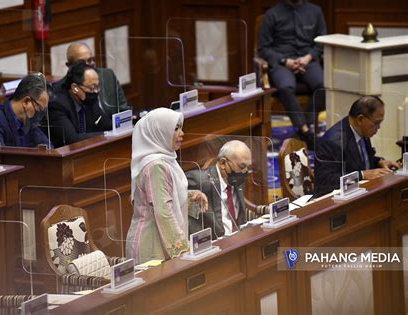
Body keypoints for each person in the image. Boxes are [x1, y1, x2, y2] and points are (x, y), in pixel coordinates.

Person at [126, 107, 208, 264]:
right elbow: (164, 211)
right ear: (159, 132)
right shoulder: (155, 166)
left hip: (161, 240)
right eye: (175, 129)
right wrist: (183, 250)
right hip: (152, 245)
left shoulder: (166, 160)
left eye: (181, 128)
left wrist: (191, 197)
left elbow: (165, 196)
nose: (182, 133)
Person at [258, 0, 327, 148]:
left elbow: (321, 42)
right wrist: (285, 61)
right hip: (282, 62)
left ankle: (305, 126)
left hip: (308, 60)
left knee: (324, 85)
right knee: (285, 87)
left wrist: (308, 58)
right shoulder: (272, 14)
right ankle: (306, 131)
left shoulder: (315, 11)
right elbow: (263, 48)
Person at [314, 95, 399, 196]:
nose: (379, 127)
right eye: (376, 123)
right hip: (337, 203)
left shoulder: (361, 130)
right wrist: (362, 175)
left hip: (361, 193)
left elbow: (358, 160)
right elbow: (326, 182)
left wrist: (379, 161)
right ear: (360, 119)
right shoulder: (332, 142)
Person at [186, 140, 268, 238]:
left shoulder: (237, 178)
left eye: (247, 167)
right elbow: (174, 192)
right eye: (242, 166)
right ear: (223, 163)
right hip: (216, 243)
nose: (245, 172)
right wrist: (191, 194)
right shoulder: (199, 180)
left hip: (240, 237)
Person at [48, 61, 114, 147]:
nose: (96, 92)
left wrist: (123, 123)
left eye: (97, 87)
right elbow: (72, 139)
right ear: (75, 88)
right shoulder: (57, 105)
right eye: (92, 87)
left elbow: (106, 123)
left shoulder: (89, 99)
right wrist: (107, 134)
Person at [54, 43, 129, 115]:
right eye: (82, 63)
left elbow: (124, 109)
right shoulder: (61, 88)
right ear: (69, 65)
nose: (88, 65)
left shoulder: (108, 75)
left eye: (90, 60)